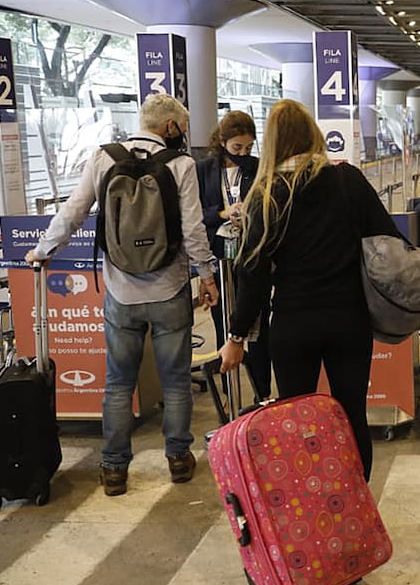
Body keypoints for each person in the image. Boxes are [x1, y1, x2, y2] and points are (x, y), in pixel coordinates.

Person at [26, 93, 218, 496]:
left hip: (120, 292)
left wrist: (43, 251)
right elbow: (193, 228)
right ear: (169, 126)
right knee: (177, 382)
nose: (182, 134)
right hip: (169, 289)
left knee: (118, 383)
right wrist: (207, 274)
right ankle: (179, 460)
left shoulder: (103, 158)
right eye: (181, 127)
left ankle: (114, 469)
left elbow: (73, 211)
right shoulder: (181, 165)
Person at [219, 99, 397, 481]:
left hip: (294, 322)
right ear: (314, 134)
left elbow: (253, 274)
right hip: (349, 319)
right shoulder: (348, 180)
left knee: (296, 418)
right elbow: (388, 241)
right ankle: (356, 506)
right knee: (352, 413)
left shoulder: (266, 194)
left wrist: (236, 335)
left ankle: (311, 507)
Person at [196, 111, 272, 402]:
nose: (242, 153)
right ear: (222, 141)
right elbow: (194, 213)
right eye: (237, 148)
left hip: (252, 255)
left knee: (257, 325)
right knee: (223, 323)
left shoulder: (258, 168)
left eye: (248, 148)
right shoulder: (204, 169)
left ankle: (262, 392)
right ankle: (230, 392)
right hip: (219, 256)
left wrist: (250, 217)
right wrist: (221, 214)